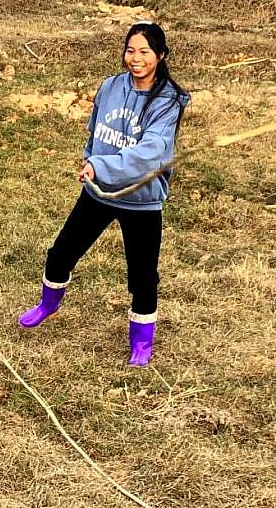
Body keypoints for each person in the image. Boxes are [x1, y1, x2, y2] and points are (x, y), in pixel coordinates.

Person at [16, 21, 190, 367]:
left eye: (144, 52)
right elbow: (97, 128)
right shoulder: (111, 86)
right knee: (61, 253)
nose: (135, 58)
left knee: (143, 276)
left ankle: (142, 342)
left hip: (141, 200)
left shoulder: (168, 101)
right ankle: (48, 305)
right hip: (98, 193)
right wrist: (90, 156)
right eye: (130, 50)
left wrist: (100, 165)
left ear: (160, 55)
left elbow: (150, 152)